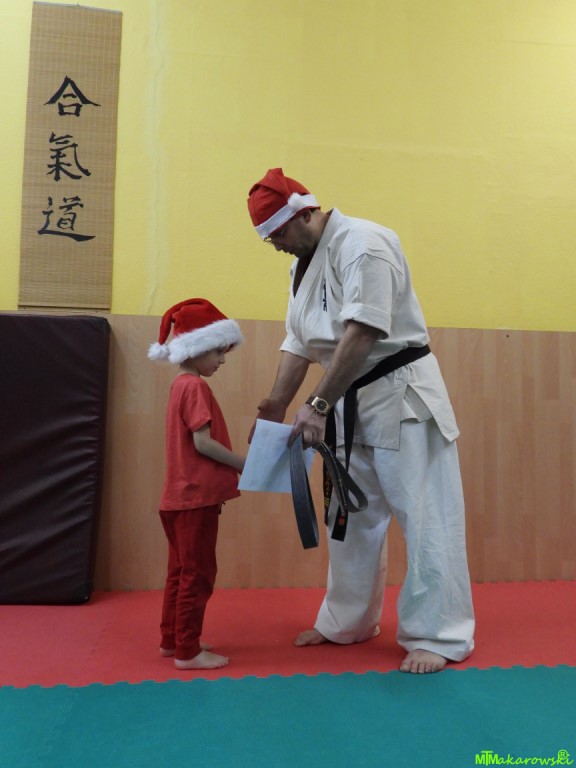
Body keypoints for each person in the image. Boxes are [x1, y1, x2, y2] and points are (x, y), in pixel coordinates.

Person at [246, 168, 475, 674]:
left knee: (426, 517)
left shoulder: (365, 243)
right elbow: (299, 341)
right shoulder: (302, 265)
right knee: (348, 520)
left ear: (305, 213)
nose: (276, 245)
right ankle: (346, 621)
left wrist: (317, 405)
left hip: (401, 396)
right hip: (347, 402)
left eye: (278, 233)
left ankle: (438, 634)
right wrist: (275, 405)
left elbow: (365, 331)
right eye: (268, 239)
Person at [148, 298, 245, 670]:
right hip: (195, 499)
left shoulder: (180, 385)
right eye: (219, 351)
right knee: (198, 573)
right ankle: (187, 651)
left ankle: (172, 640)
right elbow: (203, 443)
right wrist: (245, 464)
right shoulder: (195, 388)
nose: (222, 360)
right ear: (198, 347)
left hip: (177, 498)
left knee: (180, 571)